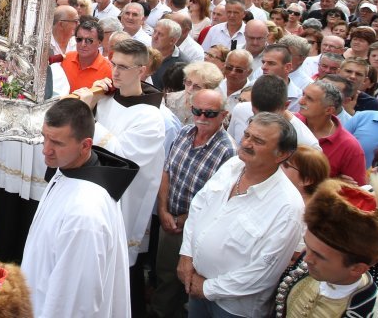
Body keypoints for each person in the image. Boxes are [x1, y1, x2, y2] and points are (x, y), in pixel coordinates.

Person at [178, 112, 304, 318]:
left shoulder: (287, 207)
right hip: (196, 285)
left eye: (258, 141)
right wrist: (187, 255)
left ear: (282, 154)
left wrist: (208, 288)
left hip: (234, 308)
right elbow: (199, 206)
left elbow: (263, 273)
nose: (246, 143)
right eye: (247, 135)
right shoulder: (232, 166)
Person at [20, 98, 137, 318]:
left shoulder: (85, 213)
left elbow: (74, 302)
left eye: (57, 143)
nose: (45, 150)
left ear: (85, 145)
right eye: (44, 137)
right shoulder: (67, 168)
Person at [75, 38, 165, 312]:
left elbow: (122, 157)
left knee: (117, 273)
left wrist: (86, 114)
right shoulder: (107, 97)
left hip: (122, 201)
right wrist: (91, 105)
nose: (115, 72)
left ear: (142, 70)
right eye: (114, 64)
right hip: (92, 190)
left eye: (124, 67)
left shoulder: (152, 117)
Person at [152, 90, 237, 318]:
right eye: (197, 111)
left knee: (185, 282)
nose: (202, 117)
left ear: (223, 115)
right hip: (169, 219)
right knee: (165, 276)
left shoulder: (228, 151)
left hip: (196, 229)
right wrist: (162, 210)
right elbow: (167, 172)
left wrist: (182, 220)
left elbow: (219, 203)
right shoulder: (183, 132)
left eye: (209, 113)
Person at [276, 180, 378, 318]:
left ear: (357, 268)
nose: (307, 259)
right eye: (308, 247)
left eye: (319, 256)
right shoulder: (303, 270)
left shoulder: (371, 312)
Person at [52, 16, 112, 93]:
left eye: (89, 40)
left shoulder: (108, 69)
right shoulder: (67, 57)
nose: (83, 44)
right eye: (79, 39)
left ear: (99, 43)